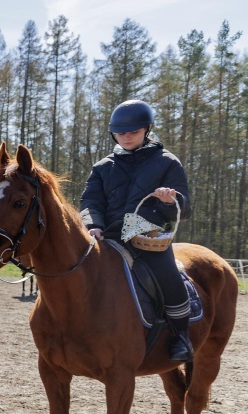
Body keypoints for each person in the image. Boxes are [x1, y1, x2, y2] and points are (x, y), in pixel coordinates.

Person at [80, 99, 194, 362]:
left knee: (168, 275)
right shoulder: (102, 167)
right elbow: (90, 202)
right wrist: (93, 225)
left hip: (148, 238)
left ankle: (181, 336)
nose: (126, 137)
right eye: (121, 133)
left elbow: (184, 207)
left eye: (133, 132)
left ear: (146, 129)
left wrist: (170, 201)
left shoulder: (168, 163)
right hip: (107, 236)